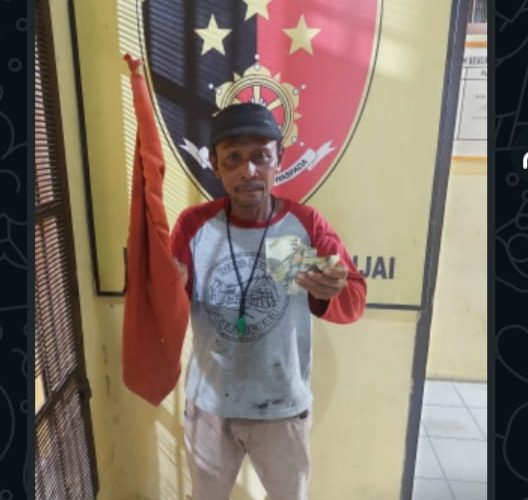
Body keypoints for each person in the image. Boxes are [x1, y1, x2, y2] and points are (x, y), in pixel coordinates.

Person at [170, 102, 367, 500]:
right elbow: (170, 305)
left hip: (282, 407)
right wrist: (170, 288)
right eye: (233, 159)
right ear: (214, 165)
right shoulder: (194, 225)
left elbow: (354, 299)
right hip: (210, 406)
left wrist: (328, 293)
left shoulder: (305, 225)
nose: (248, 171)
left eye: (261, 156)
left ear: (280, 159)